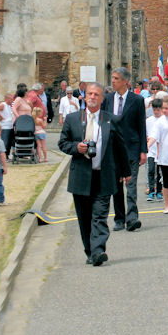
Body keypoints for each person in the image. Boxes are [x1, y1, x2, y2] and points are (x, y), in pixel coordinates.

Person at [58, 82, 129, 266]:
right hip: (81, 176)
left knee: (100, 216)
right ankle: (89, 251)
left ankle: (98, 250)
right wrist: (76, 147)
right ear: (84, 96)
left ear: (102, 98)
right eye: (89, 93)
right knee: (84, 218)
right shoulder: (73, 119)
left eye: (96, 94)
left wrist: (125, 172)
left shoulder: (111, 119)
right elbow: (62, 143)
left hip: (103, 176)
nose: (92, 97)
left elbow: (121, 148)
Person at [102, 67, 147, 232]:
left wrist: (143, 150)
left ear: (125, 81)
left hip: (132, 148)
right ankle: (119, 218)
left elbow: (141, 125)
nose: (112, 81)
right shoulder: (107, 99)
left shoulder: (137, 100)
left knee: (131, 184)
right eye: (112, 78)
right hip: (113, 149)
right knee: (116, 186)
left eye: (116, 78)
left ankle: (132, 217)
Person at [145, 99, 163, 202]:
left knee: (159, 172)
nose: (156, 112)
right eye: (154, 109)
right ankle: (151, 190)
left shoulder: (163, 120)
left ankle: (159, 191)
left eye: (158, 109)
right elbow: (146, 133)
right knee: (151, 170)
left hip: (160, 149)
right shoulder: (149, 121)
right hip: (151, 149)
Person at [0, 94, 14, 159]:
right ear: (7, 99)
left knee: (9, 142)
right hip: (5, 126)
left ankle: (6, 155)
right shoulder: (3, 104)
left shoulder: (10, 106)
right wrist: (0, 116)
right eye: (10, 99)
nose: (12, 100)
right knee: (5, 141)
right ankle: (2, 156)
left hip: (10, 125)